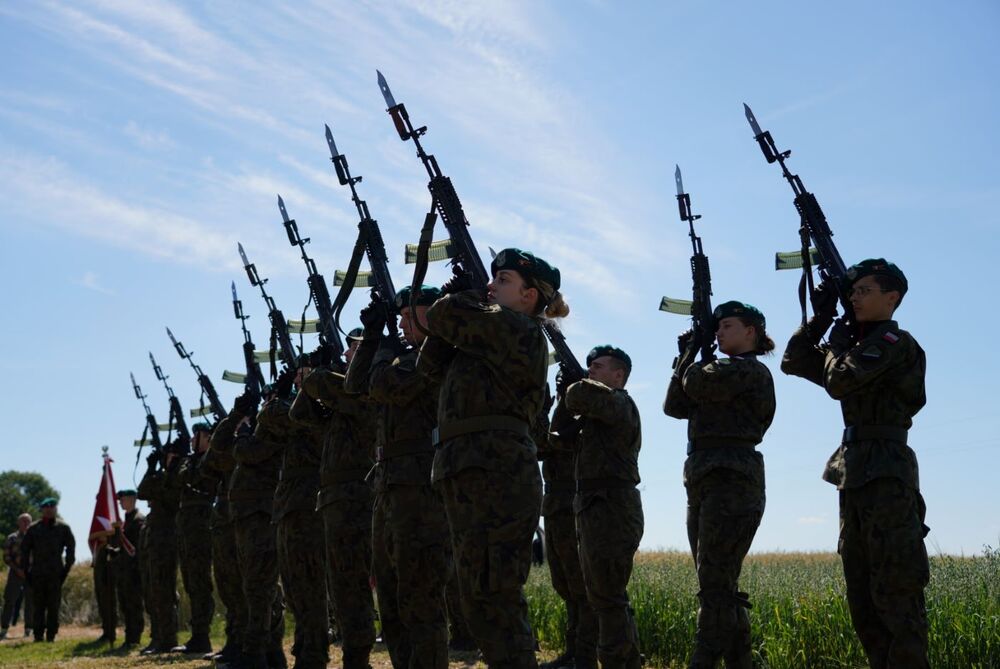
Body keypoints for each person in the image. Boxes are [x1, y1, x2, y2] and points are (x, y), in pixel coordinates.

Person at [417, 248, 566, 669]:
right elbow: (429, 364)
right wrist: (459, 300)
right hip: (467, 467)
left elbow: (443, 318)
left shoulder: (517, 328)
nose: (490, 286)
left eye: (502, 280)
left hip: (498, 470)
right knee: (477, 597)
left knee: (496, 595)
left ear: (529, 296)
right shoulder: (483, 333)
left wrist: (459, 298)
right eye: (492, 277)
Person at [781, 259, 929, 669]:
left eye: (865, 290)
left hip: (886, 470)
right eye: (853, 291)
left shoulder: (896, 343)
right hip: (854, 472)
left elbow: (839, 381)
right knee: (861, 597)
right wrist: (821, 320)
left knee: (896, 594)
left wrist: (838, 343)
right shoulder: (856, 344)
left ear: (892, 297)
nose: (855, 297)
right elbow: (793, 361)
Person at [664, 302, 776, 669]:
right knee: (719, 583)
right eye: (717, 327)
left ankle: (703, 660)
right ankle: (741, 662)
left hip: (732, 480)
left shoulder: (748, 370)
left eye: (726, 326)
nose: (718, 333)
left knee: (714, 583)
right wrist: (685, 353)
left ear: (751, 332)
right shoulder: (716, 369)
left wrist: (695, 352)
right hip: (703, 480)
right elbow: (674, 405)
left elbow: (694, 383)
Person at [347, 286, 451, 669]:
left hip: (421, 490)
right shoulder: (400, 356)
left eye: (411, 315)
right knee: (389, 602)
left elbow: (388, 385)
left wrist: (385, 353)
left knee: (419, 600)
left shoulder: (440, 352)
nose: (404, 324)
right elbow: (355, 387)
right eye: (401, 317)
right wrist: (375, 335)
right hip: (389, 488)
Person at [552, 345, 643, 669]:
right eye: (589, 366)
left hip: (612, 506)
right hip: (593, 505)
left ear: (618, 375)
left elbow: (581, 397)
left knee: (608, 596)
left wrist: (573, 387)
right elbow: (558, 438)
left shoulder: (619, 403)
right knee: (602, 596)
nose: (592, 369)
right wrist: (564, 393)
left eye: (599, 366)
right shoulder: (595, 414)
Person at [296, 329, 378, 669]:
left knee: (355, 582)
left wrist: (316, 374)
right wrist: (316, 370)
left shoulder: (366, 386)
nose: (346, 356)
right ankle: (353, 657)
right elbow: (299, 415)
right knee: (343, 585)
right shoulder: (340, 391)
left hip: (358, 496)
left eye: (353, 349)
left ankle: (359, 657)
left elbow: (339, 389)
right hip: (334, 499)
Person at [274, 353, 329, 669]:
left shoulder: (318, 405)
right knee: (294, 588)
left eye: (303, 375)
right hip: (290, 505)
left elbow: (300, 421)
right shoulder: (296, 405)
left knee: (310, 584)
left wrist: (310, 387)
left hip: (310, 503)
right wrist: (282, 394)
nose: (298, 381)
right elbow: (269, 424)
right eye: (297, 376)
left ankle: (314, 653)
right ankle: (305, 648)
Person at [227, 383, 288, 669]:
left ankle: (258, 655)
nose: (266, 403)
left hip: (262, 516)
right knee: (256, 588)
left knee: (261, 589)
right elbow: (222, 450)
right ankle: (268, 654)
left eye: (269, 398)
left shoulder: (277, 420)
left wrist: (243, 435)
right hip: (250, 516)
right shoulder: (265, 422)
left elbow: (250, 453)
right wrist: (240, 417)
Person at [540, 379, 595, 669]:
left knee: (581, 588)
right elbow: (541, 444)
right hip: (555, 507)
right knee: (564, 585)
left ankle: (584, 656)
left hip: (572, 505)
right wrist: (546, 403)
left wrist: (564, 399)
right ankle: (573, 650)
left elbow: (557, 439)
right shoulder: (563, 410)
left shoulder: (587, 411)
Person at [168, 422, 216, 654]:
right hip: (187, 526)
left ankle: (203, 635)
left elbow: (195, 478)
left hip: (202, 524)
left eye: (197, 436)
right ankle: (198, 635)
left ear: (208, 438)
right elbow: (176, 482)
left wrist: (187, 463)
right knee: (190, 580)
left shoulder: (211, 459)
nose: (192, 441)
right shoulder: (190, 460)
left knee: (200, 580)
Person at [136, 445, 181, 654]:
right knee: (154, 591)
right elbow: (143, 492)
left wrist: (168, 472)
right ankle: (159, 636)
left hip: (168, 539)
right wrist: (151, 469)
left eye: (171, 455)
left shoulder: (178, 475)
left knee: (165, 590)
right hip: (155, 542)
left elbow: (169, 497)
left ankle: (169, 637)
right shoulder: (163, 476)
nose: (168, 459)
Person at [20, 498, 75, 642]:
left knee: (53, 606)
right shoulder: (33, 528)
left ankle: (51, 635)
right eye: (46, 507)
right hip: (37, 573)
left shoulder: (63, 528)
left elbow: (71, 548)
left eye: (52, 507)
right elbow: (24, 550)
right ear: (42, 509)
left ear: (56, 509)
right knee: (38, 606)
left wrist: (66, 568)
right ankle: (38, 635)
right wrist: (26, 571)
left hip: (56, 573)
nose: (49, 509)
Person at [108, 489, 145, 648]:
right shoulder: (125, 521)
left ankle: (134, 638)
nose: (120, 503)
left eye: (122, 499)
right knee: (125, 604)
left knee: (134, 605)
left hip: (134, 571)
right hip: (124, 571)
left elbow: (137, 549)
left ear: (131, 499)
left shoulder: (138, 520)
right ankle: (129, 637)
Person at [1, 513, 33, 640]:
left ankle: (28, 630)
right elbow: (6, 557)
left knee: (31, 602)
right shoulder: (12, 538)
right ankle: (3, 629)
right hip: (15, 573)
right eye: (23, 521)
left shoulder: (35, 538)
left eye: (28, 521)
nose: (25, 523)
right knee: (9, 600)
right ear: (18, 523)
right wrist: (17, 570)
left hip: (31, 574)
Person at [92, 532, 117, 644]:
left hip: (113, 568)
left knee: (110, 600)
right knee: (102, 598)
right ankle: (107, 631)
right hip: (102, 567)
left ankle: (113, 633)